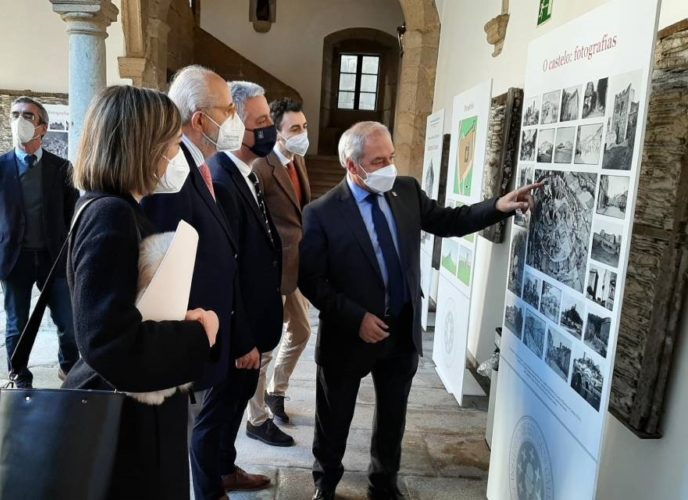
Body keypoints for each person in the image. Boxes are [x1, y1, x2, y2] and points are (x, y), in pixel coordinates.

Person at [299, 121, 539, 500]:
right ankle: (325, 484)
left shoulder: (405, 190)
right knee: (334, 420)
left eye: (391, 156)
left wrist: (497, 206)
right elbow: (311, 281)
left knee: (393, 418)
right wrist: (356, 318)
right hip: (348, 337)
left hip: (401, 330)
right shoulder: (321, 212)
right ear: (352, 166)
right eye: (379, 160)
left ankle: (384, 484)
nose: (389, 167)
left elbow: (449, 221)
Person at [63, 85, 218, 499]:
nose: (175, 154)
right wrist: (197, 332)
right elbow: (108, 341)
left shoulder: (112, 207)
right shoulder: (111, 214)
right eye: (171, 143)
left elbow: (127, 312)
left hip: (133, 409)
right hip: (125, 419)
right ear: (142, 146)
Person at [140, 65, 250, 499]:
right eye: (227, 109)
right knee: (175, 448)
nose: (234, 119)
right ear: (201, 119)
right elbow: (162, 262)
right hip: (180, 340)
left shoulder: (193, 160)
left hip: (200, 334)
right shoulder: (171, 171)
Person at [207, 80, 285, 491]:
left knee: (236, 405)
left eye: (269, 118)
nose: (271, 128)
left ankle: (226, 467)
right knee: (218, 411)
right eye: (263, 121)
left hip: (253, 323)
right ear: (236, 126)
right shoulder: (222, 179)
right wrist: (240, 340)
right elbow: (226, 269)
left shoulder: (247, 174)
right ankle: (213, 481)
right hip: (240, 331)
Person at [0, 96, 79, 388]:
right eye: (15, 115)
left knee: (68, 323)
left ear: (43, 128)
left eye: (28, 116)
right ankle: (19, 376)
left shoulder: (62, 168)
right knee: (17, 326)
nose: (19, 120)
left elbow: (72, 214)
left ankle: (69, 369)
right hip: (15, 258)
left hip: (54, 259)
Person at [247, 98, 312, 440]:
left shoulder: (297, 160)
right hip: (272, 272)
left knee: (301, 331)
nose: (303, 134)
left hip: (297, 268)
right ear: (277, 132)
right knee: (266, 347)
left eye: (305, 126)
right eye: (295, 129)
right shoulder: (261, 167)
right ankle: (257, 419)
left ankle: (277, 390)